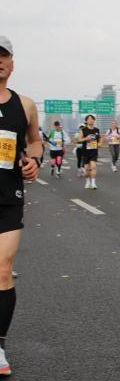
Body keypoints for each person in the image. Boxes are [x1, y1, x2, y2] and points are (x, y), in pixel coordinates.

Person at [0, 35, 43, 376]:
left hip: (7, 195)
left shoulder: (25, 105)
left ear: (12, 62)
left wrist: (34, 162)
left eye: (3, 56)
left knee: (3, 268)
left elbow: (34, 141)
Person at [79, 114, 100, 189]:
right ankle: (87, 181)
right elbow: (79, 139)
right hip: (85, 152)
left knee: (93, 167)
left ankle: (93, 183)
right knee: (87, 171)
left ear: (94, 120)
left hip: (94, 152)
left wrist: (101, 142)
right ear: (86, 121)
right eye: (89, 119)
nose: (91, 120)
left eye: (92, 119)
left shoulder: (97, 130)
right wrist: (86, 138)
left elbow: (98, 141)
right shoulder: (83, 130)